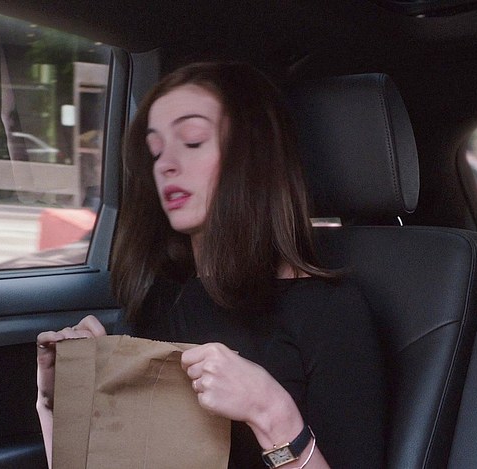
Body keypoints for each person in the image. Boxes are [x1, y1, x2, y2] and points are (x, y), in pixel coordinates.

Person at [36, 62, 386, 469]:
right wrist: (59, 400)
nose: (165, 164)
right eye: (155, 150)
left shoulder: (331, 313)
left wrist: (270, 411)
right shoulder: (158, 299)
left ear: (253, 158)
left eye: (193, 140)